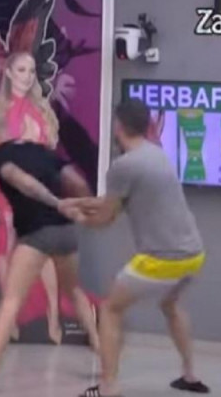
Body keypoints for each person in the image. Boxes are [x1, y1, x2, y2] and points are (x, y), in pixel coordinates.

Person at [0, 102, 99, 394]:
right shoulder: (41, 151)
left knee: (11, 301)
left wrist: (54, 202)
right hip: (65, 232)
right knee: (74, 291)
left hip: (38, 235)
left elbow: (22, 181)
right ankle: (105, 358)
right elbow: (75, 180)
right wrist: (86, 208)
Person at [62, 99, 210, 396]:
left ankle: (108, 387)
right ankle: (190, 375)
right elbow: (113, 203)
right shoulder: (158, 155)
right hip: (193, 255)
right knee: (170, 305)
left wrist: (75, 215)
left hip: (162, 259)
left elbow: (105, 219)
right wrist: (78, 202)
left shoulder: (123, 166)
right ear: (147, 125)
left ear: (118, 126)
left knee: (110, 309)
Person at [0, 51, 96, 343]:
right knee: (4, 250)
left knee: (46, 251)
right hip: (3, 188)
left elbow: (46, 154)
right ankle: (10, 319)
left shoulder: (40, 110)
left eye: (31, 70)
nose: (27, 76)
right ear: (9, 73)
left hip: (35, 189)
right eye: (21, 70)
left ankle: (53, 316)